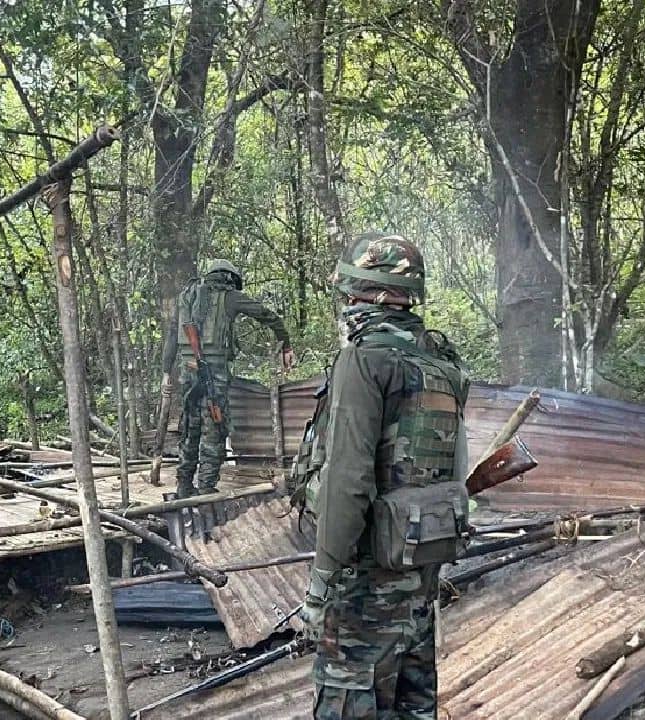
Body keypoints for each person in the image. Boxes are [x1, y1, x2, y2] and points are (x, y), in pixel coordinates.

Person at [300, 234, 470, 719]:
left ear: (362, 295)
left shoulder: (364, 359)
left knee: (349, 696)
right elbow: (455, 467)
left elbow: (347, 480)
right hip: (420, 560)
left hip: (368, 574)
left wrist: (321, 582)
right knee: (413, 699)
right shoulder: (440, 361)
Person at [175, 259, 294, 498]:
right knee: (215, 428)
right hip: (213, 374)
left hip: (186, 373)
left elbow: (172, 335)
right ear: (229, 278)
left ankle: (184, 485)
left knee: (190, 427)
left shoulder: (188, 296)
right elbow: (266, 315)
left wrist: (167, 374)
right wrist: (286, 343)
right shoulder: (230, 298)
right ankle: (206, 488)